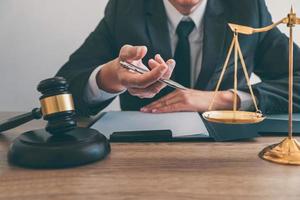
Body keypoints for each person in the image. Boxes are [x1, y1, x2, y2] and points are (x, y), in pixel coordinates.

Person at [57, 0, 300, 116]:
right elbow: (63, 89)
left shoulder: (246, 8)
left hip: (229, 154)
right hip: (142, 158)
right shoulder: (126, 9)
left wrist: (226, 100)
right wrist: (109, 78)